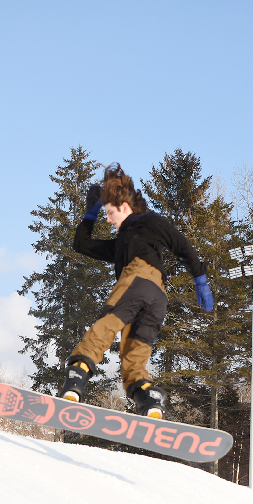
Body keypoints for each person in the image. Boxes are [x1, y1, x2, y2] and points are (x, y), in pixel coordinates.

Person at [59, 162, 214, 419]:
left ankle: (76, 377)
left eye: (110, 213)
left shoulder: (148, 220)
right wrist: (91, 213)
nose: (108, 219)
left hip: (138, 280)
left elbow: (180, 243)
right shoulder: (122, 242)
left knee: (107, 324)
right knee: (135, 354)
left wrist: (200, 277)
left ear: (125, 207)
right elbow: (82, 244)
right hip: (158, 298)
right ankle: (148, 399)